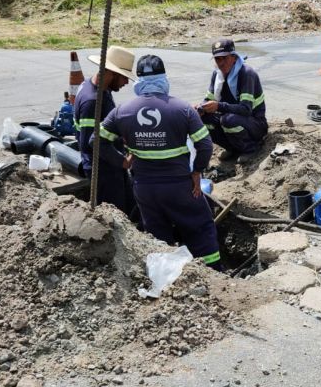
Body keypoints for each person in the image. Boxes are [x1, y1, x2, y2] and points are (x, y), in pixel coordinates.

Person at [95, 55, 224, 272]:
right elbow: (205, 145)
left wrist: (123, 162)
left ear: (139, 81)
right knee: (200, 228)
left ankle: (164, 276)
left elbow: (96, 142)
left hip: (145, 189)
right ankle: (215, 275)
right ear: (164, 79)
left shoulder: (122, 111)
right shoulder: (183, 109)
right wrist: (197, 172)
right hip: (181, 187)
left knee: (157, 234)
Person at [74, 46, 135, 212]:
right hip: (102, 170)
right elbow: (90, 143)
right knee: (115, 213)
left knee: (129, 205)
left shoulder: (101, 90)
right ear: (111, 73)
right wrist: (121, 161)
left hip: (111, 163)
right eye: (124, 77)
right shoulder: (92, 101)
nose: (126, 82)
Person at [196, 38, 268, 164]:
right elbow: (209, 99)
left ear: (234, 57)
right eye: (218, 59)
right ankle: (232, 148)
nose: (221, 63)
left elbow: (246, 109)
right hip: (232, 118)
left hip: (254, 123)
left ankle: (250, 149)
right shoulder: (217, 75)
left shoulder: (246, 74)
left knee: (228, 120)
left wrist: (219, 106)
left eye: (225, 58)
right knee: (203, 119)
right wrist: (200, 107)